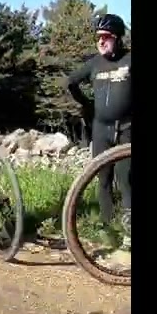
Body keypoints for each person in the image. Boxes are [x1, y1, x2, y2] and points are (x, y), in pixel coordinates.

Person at [66, 13, 131, 249]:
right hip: (100, 130)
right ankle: (107, 229)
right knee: (103, 180)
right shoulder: (94, 63)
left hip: (126, 130)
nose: (101, 41)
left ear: (118, 38)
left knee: (126, 181)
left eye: (106, 37)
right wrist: (86, 104)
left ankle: (129, 234)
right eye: (98, 38)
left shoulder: (129, 60)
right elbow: (70, 82)